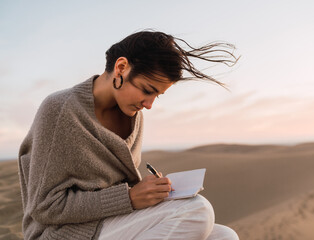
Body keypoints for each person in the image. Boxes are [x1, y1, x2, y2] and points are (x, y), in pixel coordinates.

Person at [18, 30, 240, 240]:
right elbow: (44, 207)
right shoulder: (60, 110)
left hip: (110, 222)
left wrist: (150, 191)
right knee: (197, 211)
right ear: (121, 67)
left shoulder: (134, 114)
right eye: (147, 90)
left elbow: (118, 187)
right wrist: (130, 198)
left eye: (158, 96)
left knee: (225, 236)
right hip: (66, 233)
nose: (149, 104)